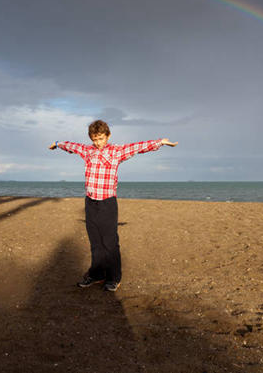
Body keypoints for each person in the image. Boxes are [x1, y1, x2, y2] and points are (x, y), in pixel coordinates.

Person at [49, 119, 177, 292]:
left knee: (109, 242)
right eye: (94, 139)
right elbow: (71, 146)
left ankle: (114, 278)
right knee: (95, 242)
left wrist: (160, 142)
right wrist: (57, 144)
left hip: (108, 202)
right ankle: (97, 275)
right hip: (90, 202)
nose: (98, 142)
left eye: (101, 138)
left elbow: (138, 147)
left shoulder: (117, 151)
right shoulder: (88, 151)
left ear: (108, 136)